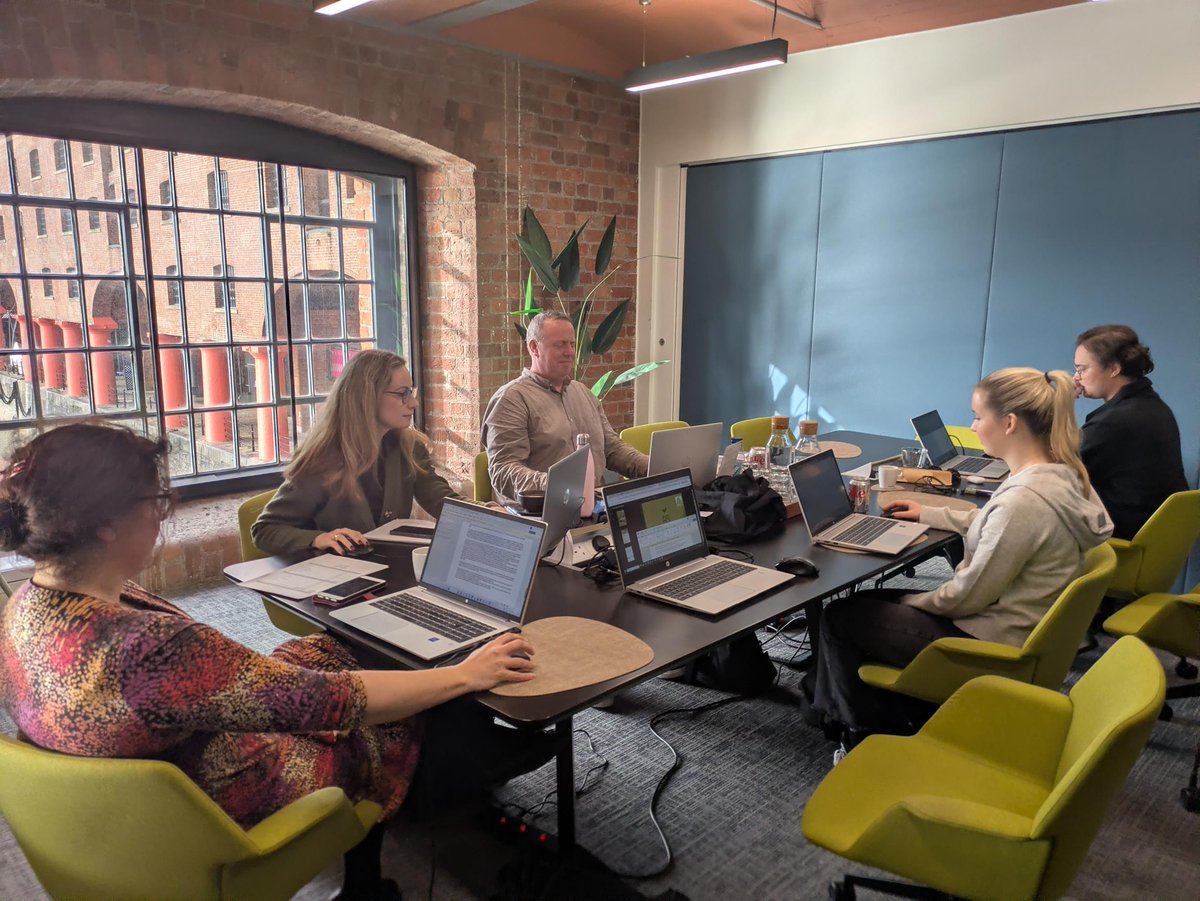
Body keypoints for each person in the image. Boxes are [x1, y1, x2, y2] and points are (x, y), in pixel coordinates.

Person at [0, 423, 539, 900]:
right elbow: (330, 703)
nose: (163, 513)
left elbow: (219, 681)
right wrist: (466, 674)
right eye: (156, 498)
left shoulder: (27, 605)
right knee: (413, 711)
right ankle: (450, 800)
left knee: (338, 649)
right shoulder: (149, 648)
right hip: (233, 801)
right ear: (105, 525)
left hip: (126, 813)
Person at [809, 369, 1113, 750]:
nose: (973, 426)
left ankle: (862, 733)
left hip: (989, 641)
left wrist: (913, 601)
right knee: (866, 603)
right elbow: (998, 526)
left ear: (1009, 423)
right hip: (1022, 626)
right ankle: (831, 706)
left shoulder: (1022, 501)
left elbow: (966, 595)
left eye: (977, 416)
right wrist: (932, 513)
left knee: (840, 616)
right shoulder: (1058, 476)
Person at [253, 349, 459, 557]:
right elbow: (265, 530)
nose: (413, 403)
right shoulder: (323, 459)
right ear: (367, 398)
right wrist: (319, 539)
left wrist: (487, 512)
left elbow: (442, 500)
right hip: (334, 579)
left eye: (411, 393)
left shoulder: (409, 447)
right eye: (402, 394)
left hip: (387, 571)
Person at [482, 310, 648, 507]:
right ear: (534, 347)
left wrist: (655, 466)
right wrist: (558, 485)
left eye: (572, 344)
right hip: (543, 514)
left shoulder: (584, 393)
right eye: (560, 344)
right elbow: (504, 470)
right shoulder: (511, 399)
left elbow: (611, 448)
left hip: (593, 510)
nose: (570, 352)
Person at [1073, 324, 1188, 540]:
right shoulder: (1151, 405)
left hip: (1118, 543)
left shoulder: (1116, 421)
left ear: (1114, 369)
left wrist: (1060, 402)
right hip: (1153, 540)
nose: (1076, 377)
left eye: (1082, 369)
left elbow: (1050, 466)